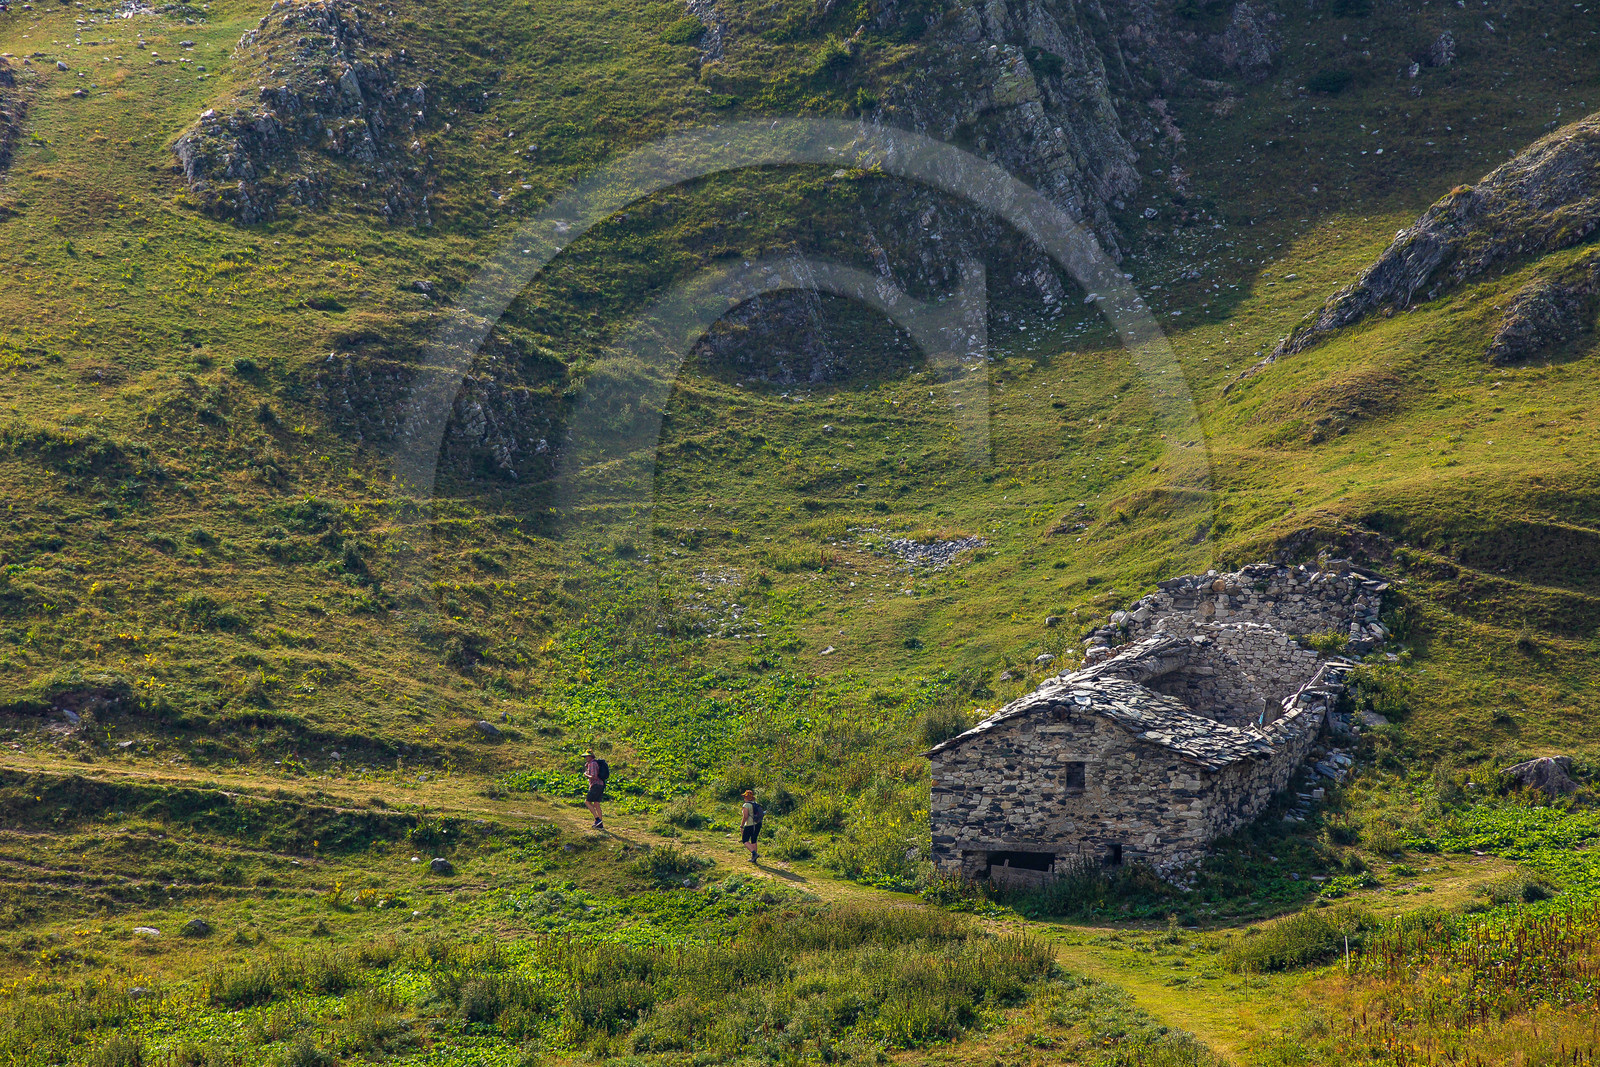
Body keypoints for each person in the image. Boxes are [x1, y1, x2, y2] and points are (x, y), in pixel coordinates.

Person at [583, 749, 605, 830]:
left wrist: (586, 775)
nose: (586, 758)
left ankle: (597, 819)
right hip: (601, 785)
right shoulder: (594, 763)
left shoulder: (592, 764)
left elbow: (593, 776)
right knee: (596, 804)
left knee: (587, 802)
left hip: (595, 785)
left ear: (590, 756)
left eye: (587, 756)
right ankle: (600, 824)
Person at [739, 789, 763, 863]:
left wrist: (741, 826)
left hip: (750, 824)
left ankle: (754, 853)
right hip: (758, 824)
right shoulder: (755, 803)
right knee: (754, 839)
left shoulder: (746, 805)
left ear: (746, 798)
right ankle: (754, 859)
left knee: (745, 840)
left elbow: (745, 816)